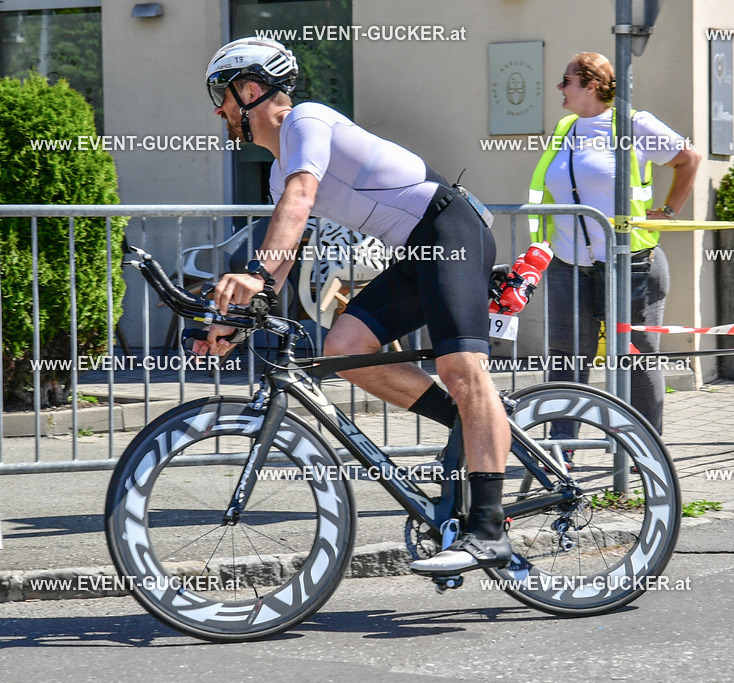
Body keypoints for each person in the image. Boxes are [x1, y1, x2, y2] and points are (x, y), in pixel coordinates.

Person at [195, 37, 511, 574]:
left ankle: (488, 529)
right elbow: (282, 258)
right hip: (417, 250)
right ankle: (466, 421)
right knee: (345, 347)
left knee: (460, 367)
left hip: (451, 226)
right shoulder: (278, 172)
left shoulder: (307, 122)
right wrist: (231, 322)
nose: (220, 110)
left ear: (250, 90)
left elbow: (301, 202)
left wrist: (250, 275)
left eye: (222, 96)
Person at [528, 52, 700, 450]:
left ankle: (646, 453)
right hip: (568, 263)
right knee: (565, 360)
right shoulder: (565, 128)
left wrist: (670, 211)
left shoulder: (633, 124)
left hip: (631, 264)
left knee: (635, 359)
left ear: (591, 84)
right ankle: (560, 452)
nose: (559, 88)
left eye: (566, 80)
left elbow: (688, 158)